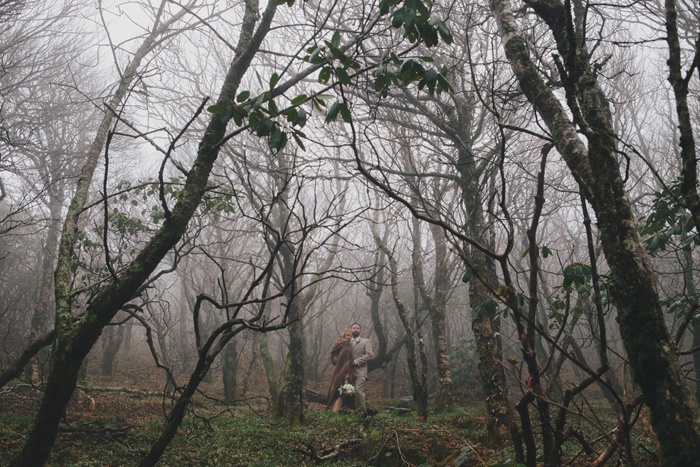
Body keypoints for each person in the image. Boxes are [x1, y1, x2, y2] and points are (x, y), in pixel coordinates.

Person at [326, 329, 354, 411]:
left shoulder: (338, 344)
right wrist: (347, 372)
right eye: (347, 335)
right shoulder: (346, 345)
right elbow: (345, 361)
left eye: (350, 336)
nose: (349, 337)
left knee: (336, 391)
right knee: (340, 392)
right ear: (343, 336)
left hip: (337, 371)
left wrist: (335, 360)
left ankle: (333, 412)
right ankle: (335, 412)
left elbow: (334, 358)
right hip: (342, 372)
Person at [350, 322, 373, 413]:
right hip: (347, 372)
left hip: (360, 371)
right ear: (351, 330)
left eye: (357, 328)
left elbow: (369, 355)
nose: (355, 329)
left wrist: (356, 362)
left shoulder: (365, 341)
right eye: (353, 328)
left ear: (360, 330)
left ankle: (362, 412)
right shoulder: (346, 342)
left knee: (358, 391)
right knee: (346, 391)